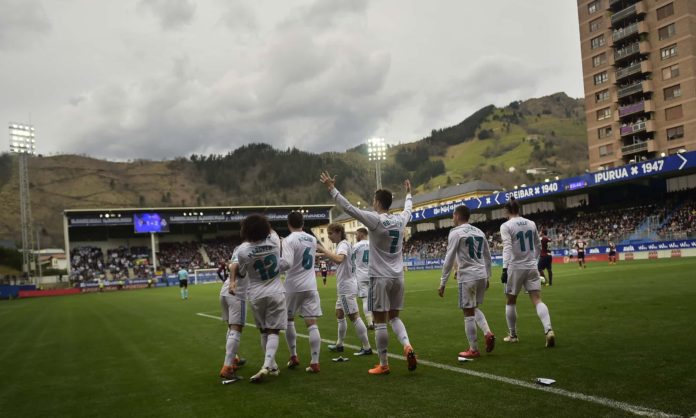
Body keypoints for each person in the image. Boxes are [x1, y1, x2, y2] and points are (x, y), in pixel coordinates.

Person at [320, 171, 416, 375]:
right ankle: (407, 345)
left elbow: (349, 208)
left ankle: (384, 363)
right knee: (395, 318)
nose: (372, 203)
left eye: (373, 200)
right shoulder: (400, 220)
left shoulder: (375, 220)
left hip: (380, 277)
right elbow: (409, 209)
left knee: (380, 321)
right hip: (398, 277)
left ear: (378, 202)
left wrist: (331, 189)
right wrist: (409, 194)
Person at [231, 214, 290, 383]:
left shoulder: (242, 251)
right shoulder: (273, 241)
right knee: (273, 331)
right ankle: (267, 366)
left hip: (256, 294)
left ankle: (272, 366)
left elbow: (242, 271)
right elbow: (271, 231)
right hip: (276, 292)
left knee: (263, 330)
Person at [438, 205, 495, 359]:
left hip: (468, 276)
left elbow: (449, 259)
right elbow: (488, 256)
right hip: (481, 274)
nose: (452, 218)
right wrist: (488, 276)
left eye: (453, 215)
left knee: (467, 311)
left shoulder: (455, 233)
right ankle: (487, 332)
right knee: (474, 307)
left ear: (457, 215)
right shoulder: (479, 232)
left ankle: (473, 349)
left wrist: (443, 282)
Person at [500, 198, 555, 347]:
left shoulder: (506, 226)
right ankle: (548, 330)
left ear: (507, 211)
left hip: (515, 267)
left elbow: (507, 247)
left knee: (510, 301)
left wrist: (505, 268)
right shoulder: (531, 223)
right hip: (531, 266)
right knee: (537, 299)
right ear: (519, 209)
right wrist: (533, 260)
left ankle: (513, 335)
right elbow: (538, 245)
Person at [318, 223, 373, 356]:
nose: (329, 236)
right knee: (339, 313)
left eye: (330, 233)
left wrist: (323, 250)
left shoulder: (342, 245)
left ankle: (367, 347)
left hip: (346, 287)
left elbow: (339, 259)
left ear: (338, 232)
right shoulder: (344, 244)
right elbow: (339, 257)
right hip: (347, 284)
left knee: (354, 316)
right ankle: (339, 344)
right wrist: (319, 253)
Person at [282, 212, 323, 373]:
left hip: (293, 286)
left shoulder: (288, 240)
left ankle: (293, 356)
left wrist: (271, 266)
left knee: (288, 320)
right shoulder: (312, 239)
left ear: (288, 224)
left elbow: (286, 263)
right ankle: (315, 362)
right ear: (303, 223)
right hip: (311, 285)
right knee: (312, 324)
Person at [219, 247, 247, 383]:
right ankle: (227, 367)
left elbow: (231, 263)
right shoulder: (250, 248)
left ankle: (234, 358)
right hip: (236, 293)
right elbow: (234, 265)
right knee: (236, 329)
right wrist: (232, 282)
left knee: (231, 327)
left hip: (224, 292)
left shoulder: (238, 248)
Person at [352, 227, 374, 329]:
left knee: (365, 300)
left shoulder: (356, 246)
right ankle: (376, 321)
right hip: (373, 274)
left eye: (356, 234)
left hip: (361, 276)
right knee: (373, 299)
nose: (355, 236)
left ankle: (370, 323)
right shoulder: (373, 244)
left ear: (361, 234)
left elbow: (350, 260)